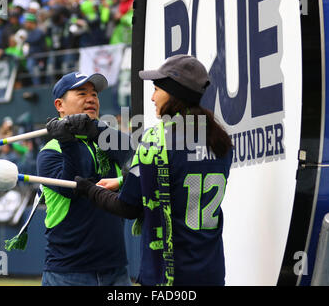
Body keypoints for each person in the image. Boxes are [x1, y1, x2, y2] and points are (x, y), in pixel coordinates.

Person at [72, 54, 234, 286]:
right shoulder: (220, 141)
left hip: (167, 276)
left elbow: (127, 207)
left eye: (157, 89)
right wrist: (121, 180)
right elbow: (180, 175)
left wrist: (88, 189)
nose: (152, 97)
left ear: (174, 93)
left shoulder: (157, 140)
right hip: (212, 272)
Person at [37, 71, 132, 286]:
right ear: (59, 105)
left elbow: (136, 157)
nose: (91, 99)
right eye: (81, 93)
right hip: (69, 273)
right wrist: (68, 141)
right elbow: (72, 187)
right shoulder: (50, 152)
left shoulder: (105, 140)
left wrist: (96, 129)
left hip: (116, 271)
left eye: (95, 94)